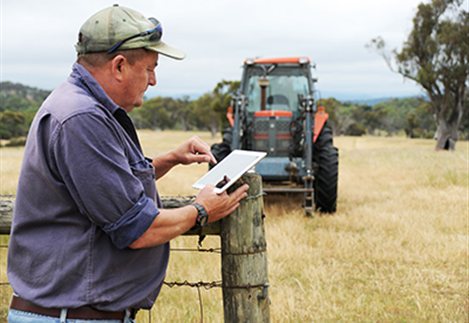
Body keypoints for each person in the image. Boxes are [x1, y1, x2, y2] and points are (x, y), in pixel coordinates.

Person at [7, 5, 249, 323]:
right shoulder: (83, 118)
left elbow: (104, 184)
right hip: (72, 317)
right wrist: (201, 211)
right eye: (150, 68)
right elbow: (136, 229)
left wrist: (169, 160)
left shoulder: (80, 106)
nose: (153, 80)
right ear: (120, 65)